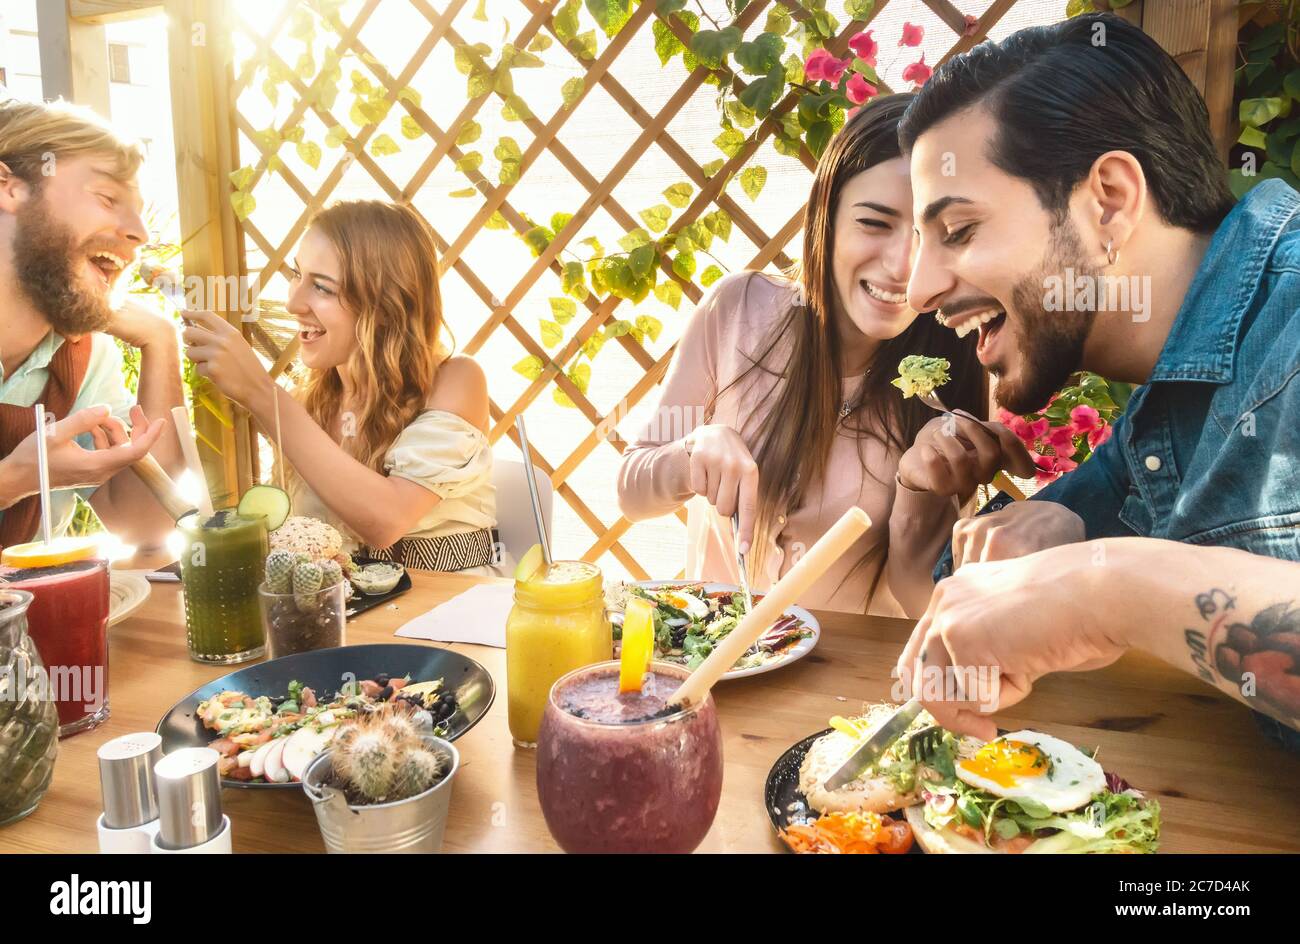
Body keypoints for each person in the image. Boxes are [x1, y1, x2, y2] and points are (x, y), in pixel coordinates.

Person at [895, 14, 1300, 741]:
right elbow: (974, 595)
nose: (919, 288)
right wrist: (1065, 538)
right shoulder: (1163, 406)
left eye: (957, 231)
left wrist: (1106, 585)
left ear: (1109, 199)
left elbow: (1101, 590)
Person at [617, 94, 1033, 615]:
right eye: (874, 223)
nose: (902, 267)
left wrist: (919, 494)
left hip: (842, 681)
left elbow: (921, 600)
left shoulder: (951, 367)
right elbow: (631, 494)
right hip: (720, 659)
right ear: (827, 220)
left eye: (932, 236)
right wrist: (691, 455)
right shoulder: (739, 309)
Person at [184, 199, 507, 576]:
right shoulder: (315, 401)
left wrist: (261, 392)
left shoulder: (457, 380)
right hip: (339, 619)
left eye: (322, 287)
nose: (292, 302)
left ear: (385, 306)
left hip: (446, 620)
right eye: (297, 274)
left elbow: (386, 520)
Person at [0, 98, 181, 550]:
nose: (140, 232)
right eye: (107, 198)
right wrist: (14, 480)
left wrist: (161, 342)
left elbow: (148, 525)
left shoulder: (84, 357)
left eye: (138, 211)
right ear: (10, 188)